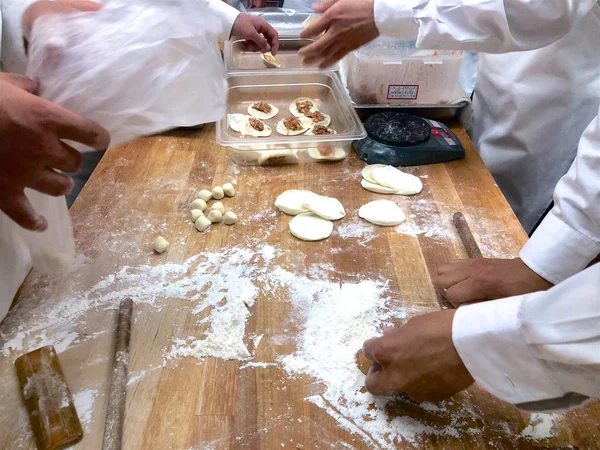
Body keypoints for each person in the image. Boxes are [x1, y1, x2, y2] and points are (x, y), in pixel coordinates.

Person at [298, 0, 600, 409]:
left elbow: (545, 8)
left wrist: (485, 341)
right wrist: (538, 271)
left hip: (558, 109)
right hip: (499, 87)